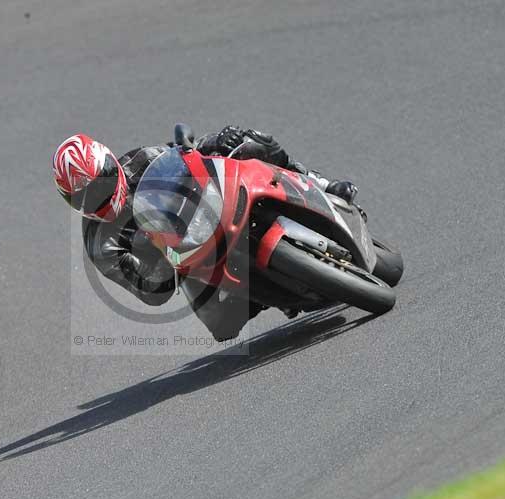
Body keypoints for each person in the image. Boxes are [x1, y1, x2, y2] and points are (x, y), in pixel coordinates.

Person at [52, 126, 358, 341]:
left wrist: (219, 142)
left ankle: (320, 184)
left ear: (110, 162)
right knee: (224, 326)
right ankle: (267, 294)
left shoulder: (141, 160)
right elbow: (149, 294)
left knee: (252, 142)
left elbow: (190, 157)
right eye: (83, 197)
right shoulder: (100, 244)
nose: (97, 197)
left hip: (204, 212)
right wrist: (158, 263)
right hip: (183, 262)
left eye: (101, 182)